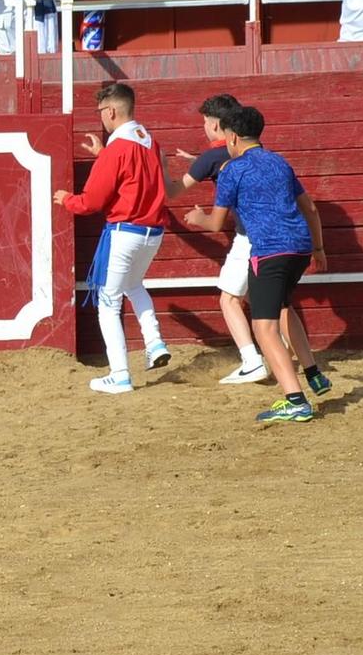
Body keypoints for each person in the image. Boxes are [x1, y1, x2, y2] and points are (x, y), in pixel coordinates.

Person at [183, 105, 334, 424]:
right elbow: (311, 208)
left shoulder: (232, 170)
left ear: (233, 137)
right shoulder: (280, 163)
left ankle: (295, 400)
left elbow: (215, 224)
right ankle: (313, 374)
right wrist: (318, 247)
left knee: (263, 327)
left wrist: (198, 218)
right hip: (300, 248)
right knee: (282, 308)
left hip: (269, 251)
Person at [167, 92, 300, 386]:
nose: (204, 128)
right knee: (272, 302)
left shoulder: (211, 158)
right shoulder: (251, 151)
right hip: (279, 236)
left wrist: (161, 169)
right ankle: (299, 358)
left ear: (217, 127)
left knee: (229, 298)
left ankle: (251, 361)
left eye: (205, 122)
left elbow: (173, 192)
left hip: (248, 238)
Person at [54, 82, 170, 395]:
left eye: (102, 113)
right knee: (134, 285)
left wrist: (67, 199)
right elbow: (133, 176)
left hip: (125, 232)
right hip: (153, 232)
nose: (101, 118)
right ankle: (155, 342)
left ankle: (120, 374)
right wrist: (104, 155)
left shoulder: (118, 148)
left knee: (108, 302)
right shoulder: (148, 141)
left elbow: (91, 202)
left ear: (112, 111)